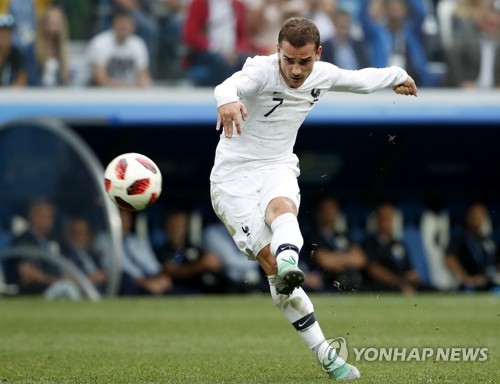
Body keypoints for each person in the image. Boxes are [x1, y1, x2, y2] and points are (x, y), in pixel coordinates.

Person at [210, 16, 417, 380]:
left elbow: (361, 80)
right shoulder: (261, 71)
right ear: (278, 51)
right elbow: (230, 85)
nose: (294, 69)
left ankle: (292, 264)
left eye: (304, 61)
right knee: (270, 266)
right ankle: (323, 350)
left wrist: (398, 74)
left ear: (317, 54)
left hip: (277, 164)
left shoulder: (322, 74)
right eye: (288, 59)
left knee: (282, 209)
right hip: (233, 178)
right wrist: (227, 100)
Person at [9, 199, 80, 298]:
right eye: (43, 216)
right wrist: (55, 281)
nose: (47, 220)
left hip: (57, 285)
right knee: (66, 288)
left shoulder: (57, 239)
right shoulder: (22, 240)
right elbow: (26, 274)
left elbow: (66, 267)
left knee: (69, 287)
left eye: (50, 216)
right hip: (33, 289)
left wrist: (68, 279)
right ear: (32, 216)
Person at [155, 208, 229, 294]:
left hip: (202, 290)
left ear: (186, 227)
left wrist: (213, 262)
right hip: (177, 292)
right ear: (166, 226)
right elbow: (170, 271)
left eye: (180, 225)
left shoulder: (193, 248)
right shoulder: (162, 250)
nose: (177, 230)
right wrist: (200, 265)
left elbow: (209, 264)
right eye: (173, 225)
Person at [182, 0, 254, 86]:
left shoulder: (238, 5)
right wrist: (216, 49)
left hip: (233, 55)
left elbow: (243, 36)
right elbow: (191, 35)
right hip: (208, 54)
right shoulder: (199, 4)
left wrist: (236, 52)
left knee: (251, 62)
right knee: (218, 63)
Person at [304, 196, 367, 292]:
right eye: (325, 209)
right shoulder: (312, 236)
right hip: (325, 285)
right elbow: (324, 260)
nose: (329, 213)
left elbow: (360, 259)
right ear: (318, 213)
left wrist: (336, 259)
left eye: (332, 209)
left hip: (350, 284)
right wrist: (348, 258)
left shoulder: (343, 235)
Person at [362, 203, 425, 294]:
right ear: (377, 220)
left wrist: (412, 276)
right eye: (384, 218)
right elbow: (373, 269)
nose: (387, 222)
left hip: (402, 283)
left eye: (390, 218)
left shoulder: (399, 244)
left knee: (432, 290)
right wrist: (399, 282)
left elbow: (409, 268)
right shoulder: (369, 243)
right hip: (382, 286)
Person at [85, 8, 152, 87]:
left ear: (134, 25)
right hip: (96, 92)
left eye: (128, 22)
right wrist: (130, 87)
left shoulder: (138, 44)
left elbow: (144, 77)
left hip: (127, 92)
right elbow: (100, 79)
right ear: (113, 23)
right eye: (121, 22)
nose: (124, 26)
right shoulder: (100, 43)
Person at [445, 203, 500, 291]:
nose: (477, 218)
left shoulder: (489, 240)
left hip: (490, 282)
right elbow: (449, 258)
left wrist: (494, 275)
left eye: (480, 214)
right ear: (468, 216)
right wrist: (465, 279)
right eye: (474, 214)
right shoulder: (460, 238)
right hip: (469, 285)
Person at [118, 209, 172, 295]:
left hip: (149, 280)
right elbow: (115, 271)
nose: (125, 224)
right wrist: (143, 282)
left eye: (127, 220)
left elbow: (154, 267)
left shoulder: (138, 242)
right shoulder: (104, 242)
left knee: (166, 282)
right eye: (122, 220)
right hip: (128, 283)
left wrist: (160, 278)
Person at [62, 217, 107, 293]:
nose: (80, 235)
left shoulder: (93, 254)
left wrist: (102, 276)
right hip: (81, 292)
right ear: (70, 233)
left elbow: (105, 273)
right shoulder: (65, 253)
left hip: (101, 290)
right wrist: (89, 280)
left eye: (83, 232)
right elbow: (65, 277)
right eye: (77, 232)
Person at [33, 6, 71, 86]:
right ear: (44, 24)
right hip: (37, 94)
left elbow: (65, 80)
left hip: (57, 94)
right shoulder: (32, 49)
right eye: (52, 22)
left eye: (58, 22)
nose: (56, 26)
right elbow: (32, 79)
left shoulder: (62, 50)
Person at [0, 13, 27, 86]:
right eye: (2, 33)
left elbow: (22, 78)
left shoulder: (15, 53)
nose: (5, 36)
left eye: (8, 33)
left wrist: (9, 94)